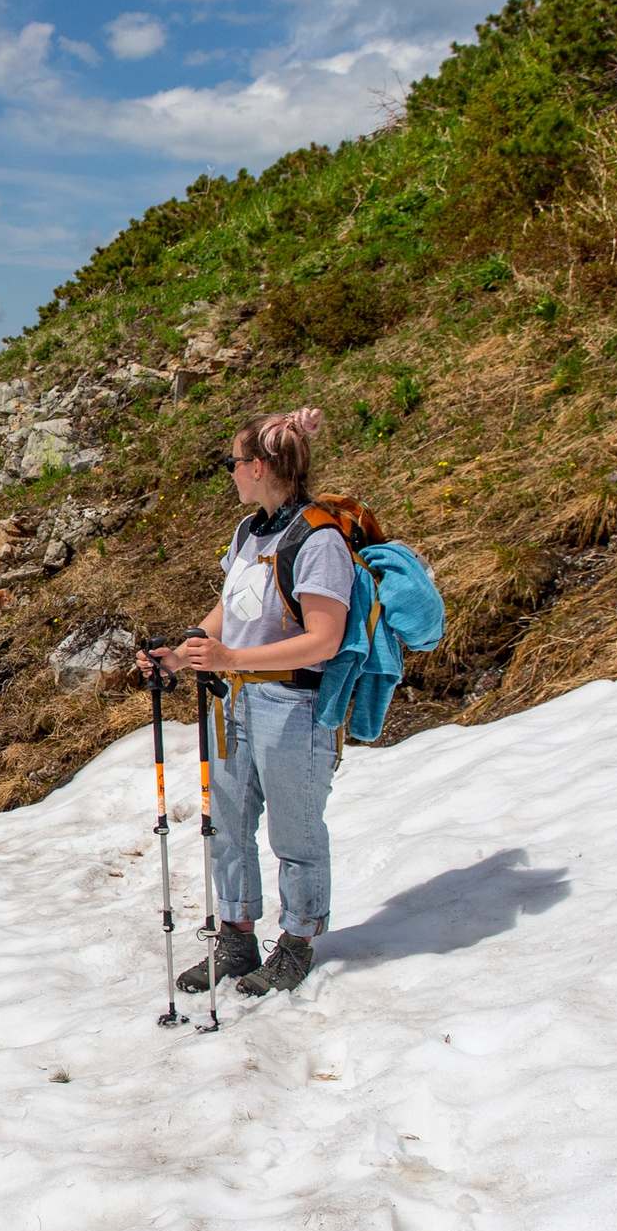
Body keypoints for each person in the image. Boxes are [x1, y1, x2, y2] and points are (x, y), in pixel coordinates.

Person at [140, 408, 351, 997]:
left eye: (233, 462)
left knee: (296, 831)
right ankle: (236, 937)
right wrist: (183, 654)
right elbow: (230, 612)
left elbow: (325, 637)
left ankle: (297, 942)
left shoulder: (319, 539)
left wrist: (230, 661)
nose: (229, 472)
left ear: (258, 466)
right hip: (233, 705)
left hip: (293, 706)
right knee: (226, 825)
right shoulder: (249, 532)